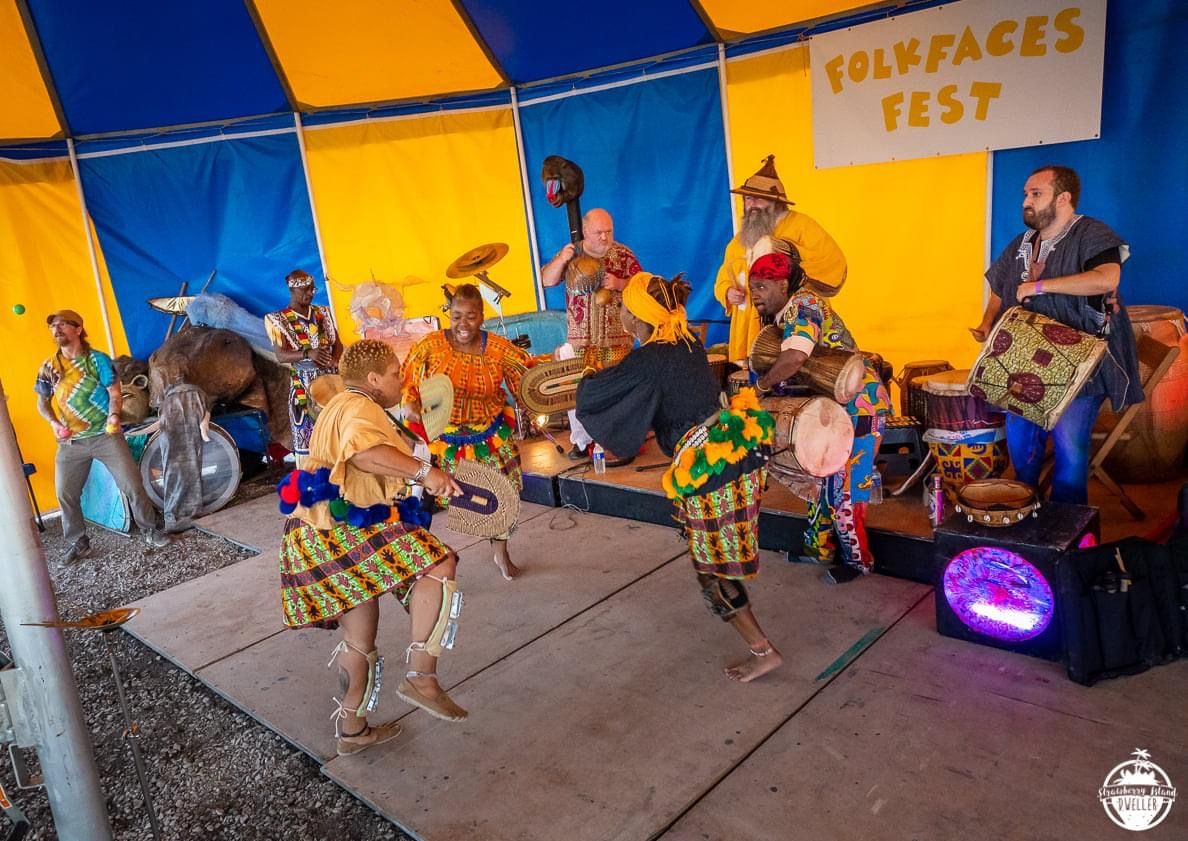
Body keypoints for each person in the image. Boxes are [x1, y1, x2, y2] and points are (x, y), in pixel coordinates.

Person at [575, 272, 783, 682]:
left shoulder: (650, 359)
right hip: (735, 453)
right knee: (713, 563)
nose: (622, 317)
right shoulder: (686, 342)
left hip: (711, 472)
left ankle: (764, 651)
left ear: (640, 317)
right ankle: (760, 646)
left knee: (712, 571)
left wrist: (585, 374)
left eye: (626, 310)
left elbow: (596, 396)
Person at [278, 339, 468, 756]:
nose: (401, 380)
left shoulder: (341, 403)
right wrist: (425, 473)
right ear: (373, 379)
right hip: (342, 528)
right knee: (439, 564)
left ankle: (352, 730)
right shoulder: (359, 405)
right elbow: (364, 453)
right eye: (396, 374)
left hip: (310, 533)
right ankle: (421, 676)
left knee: (359, 639)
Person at [970, 165, 1142, 504]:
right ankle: (1028, 514)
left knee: (1070, 456)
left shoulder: (1090, 233)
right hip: (1027, 366)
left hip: (1081, 367)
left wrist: (1040, 286)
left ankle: (1069, 529)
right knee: (1021, 448)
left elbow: (1107, 278)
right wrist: (987, 322)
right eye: (1025, 194)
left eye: (1036, 194)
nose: (1026, 201)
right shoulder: (1023, 243)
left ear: (1063, 198)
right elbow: (999, 287)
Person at [749, 244, 892, 583]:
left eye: (762, 287)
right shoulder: (790, 310)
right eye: (752, 287)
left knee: (846, 489)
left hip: (861, 405)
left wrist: (763, 385)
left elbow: (796, 356)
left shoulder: (805, 305)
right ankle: (819, 548)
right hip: (838, 406)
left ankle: (859, 562)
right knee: (821, 481)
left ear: (783, 284)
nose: (755, 295)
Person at [402, 284, 533, 581]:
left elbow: (526, 378)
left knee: (503, 498)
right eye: (456, 316)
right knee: (432, 503)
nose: (463, 324)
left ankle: (501, 554)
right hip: (443, 439)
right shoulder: (430, 346)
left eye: (471, 317)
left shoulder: (498, 349)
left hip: (489, 435)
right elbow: (407, 380)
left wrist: (539, 396)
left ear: (482, 316)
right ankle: (420, 565)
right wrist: (411, 405)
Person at [34, 309, 170, 564]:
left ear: (78, 329)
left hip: (105, 436)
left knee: (132, 485)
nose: (56, 329)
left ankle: (150, 530)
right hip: (71, 442)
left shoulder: (98, 360)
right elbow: (42, 402)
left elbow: (115, 393)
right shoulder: (49, 367)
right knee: (65, 493)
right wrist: (53, 423)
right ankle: (79, 542)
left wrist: (114, 416)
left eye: (63, 324)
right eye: (53, 325)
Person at [714, 155, 848, 365]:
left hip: (795, 320)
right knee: (753, 375)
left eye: (759, 199)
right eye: (748, 199)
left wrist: (788, 252)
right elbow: (724, 276)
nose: (752, 205)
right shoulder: (739, 240)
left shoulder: (802, 225)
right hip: (749, 327)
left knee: (796, 369)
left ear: (777, 203)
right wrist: (727, 292)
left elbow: (832, 261)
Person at [540, 208, 641, 463]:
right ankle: (582, 441)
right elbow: (546, 280)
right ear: (585, 231)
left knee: (616, 391)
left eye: (608, 231)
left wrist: (620, 284)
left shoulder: (623, 254)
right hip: (580, 341)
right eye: (599, 232)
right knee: (578, 391)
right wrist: (561, 260)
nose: (605, 237)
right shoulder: (571, 253)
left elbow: (643, 285)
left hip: (616, 339)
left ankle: (619, 441)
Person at [264, 269, 344, 465]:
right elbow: (281, 355)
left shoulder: (323, 312)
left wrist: (335, 359)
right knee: (309, 439)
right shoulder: (276, 320)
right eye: (305, 290)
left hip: (332, 381)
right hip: (303, 384)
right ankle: (313, 479)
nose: (310, 293)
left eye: (312, 289)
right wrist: (308, 353)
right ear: (292, 290)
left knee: (339, 434)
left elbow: (338, 343)